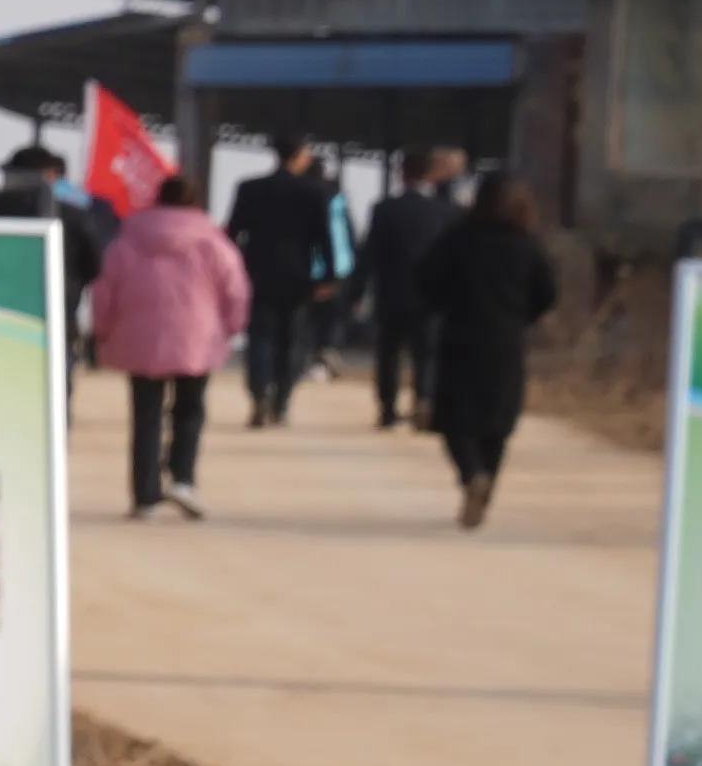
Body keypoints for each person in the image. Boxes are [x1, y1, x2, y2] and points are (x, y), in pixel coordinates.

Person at [95, 169, 248, 518]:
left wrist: (102, 329)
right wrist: (233, 326)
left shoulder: (128, 239)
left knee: (145, 415)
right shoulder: (213, 240)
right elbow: (235, 288)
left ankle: (145, 495)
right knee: (190, 410)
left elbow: (105, 288)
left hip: (140, 337)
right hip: (198, 335)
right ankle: (182, 478)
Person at [418, 171, 564, 527]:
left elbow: (426, 280)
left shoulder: (457, 239)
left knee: (456, 420)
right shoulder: (527, 245)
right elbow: (548, 294)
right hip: (506, 342)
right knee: (496, 424)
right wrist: (522, 316)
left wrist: (444, 306)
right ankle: (487, 483)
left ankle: (471, 475)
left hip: (460, 337)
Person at [229, 148, 339, 429]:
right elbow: (323, 238)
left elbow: (233, 231)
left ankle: (259, 394)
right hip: (298, 277)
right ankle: (282, 401)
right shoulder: (314, 192)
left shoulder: (250, 188)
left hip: (257, 273)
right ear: (299, 156)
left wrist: (231, 271)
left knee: (259, 337)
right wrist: (327, 276)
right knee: (291, 341)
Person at [356, 150, 460, 435]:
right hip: (431, 297)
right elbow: (454, 258)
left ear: (402, 173)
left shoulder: (384, 208)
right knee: (426, 353)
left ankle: (388, 409)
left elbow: (369, 254)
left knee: (388, 353)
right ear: (431, 175)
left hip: (391, 294)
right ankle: (423, 401)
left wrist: (355, 292)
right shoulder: (445, 212)